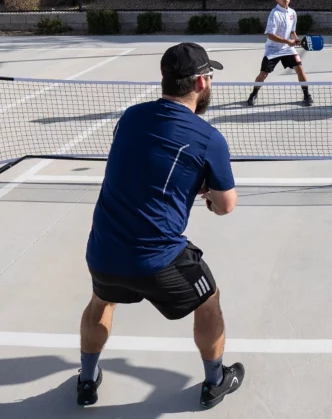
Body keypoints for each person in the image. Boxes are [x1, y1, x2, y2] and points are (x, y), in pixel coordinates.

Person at [77, 42, 245, 409]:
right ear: (201, 82)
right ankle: (216, 381)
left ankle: (87, 379)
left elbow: (142, 162)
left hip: (104, 249)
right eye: (210, 77)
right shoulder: (208, 139)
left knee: (101, 300)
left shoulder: (131, 117)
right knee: (209, 300)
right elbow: (226, 205)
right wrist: (206, 193)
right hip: (158, 259)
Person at [248, 0, 313, 107]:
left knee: (300, 70)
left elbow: (292, 31)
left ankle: (306, 95)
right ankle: (253, 94)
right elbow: (270, 35)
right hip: (273, 49)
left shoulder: (292, 13)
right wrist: (287, 41)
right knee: (263, 74)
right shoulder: (274, 14)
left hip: (288, 49)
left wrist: (295, 39)